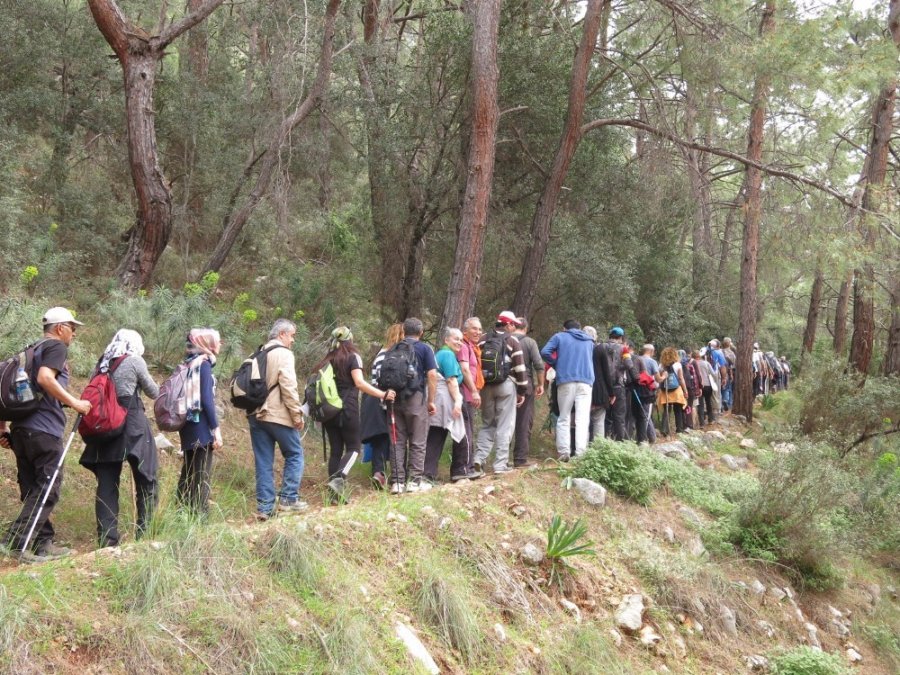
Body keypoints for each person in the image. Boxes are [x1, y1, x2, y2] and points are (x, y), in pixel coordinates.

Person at [1, 307, 92, 563]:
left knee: (33, 489)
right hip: (44, 430)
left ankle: (44, 543)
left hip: (20, 431)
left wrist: (3, 428)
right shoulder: (55, 347)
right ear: (60, 328)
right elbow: (45, 378)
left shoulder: (27, 352)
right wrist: (75, 402)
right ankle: (16, 543)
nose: (73, 334)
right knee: (48, 488)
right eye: (72, 328)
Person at [80, 329, 160, 546]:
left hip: (105, 426)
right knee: (147, 478)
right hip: (132, 422)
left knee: (106, 483)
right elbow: (153, 392)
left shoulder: (101, 364)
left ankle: (107, 542)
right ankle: (145, 536)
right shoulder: (134, 361)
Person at [314, 326, 395, 503]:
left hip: (329, 411)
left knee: (336, 450)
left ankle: (334, 496)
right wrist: (382, 394)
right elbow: (359, 382)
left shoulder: (327, 359)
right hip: (347, 408)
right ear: (350, 340)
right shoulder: (353, 357)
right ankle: (339, 480)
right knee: (354, 448)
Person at [247, 319, 307, 519]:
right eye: (292, 336)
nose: (293, 340)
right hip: (276, 413)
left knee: (263, 461)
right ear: (282, 334)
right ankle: (289, 499)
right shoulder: (283, 354)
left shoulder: (257, 353)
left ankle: (265, 508)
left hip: (255, 415)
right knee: (295, 454)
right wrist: (297, 415)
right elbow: (288, 386)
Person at [385, 317, 437, 494]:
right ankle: (414, 481)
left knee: (397, 441)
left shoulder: (394, 348)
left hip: (394, 399)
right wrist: (431, 401)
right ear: (421, 333)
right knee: (418, 440)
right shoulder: (424, 349)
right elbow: (431, 375)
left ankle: (397, 482)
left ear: (404, 331)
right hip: (416, 398)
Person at [176, 328, 223, 515]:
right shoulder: (203, 364)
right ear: (207, 343)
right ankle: (200, 516)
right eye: (217, 341)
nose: (220, 344)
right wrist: (216, 429)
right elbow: (207, 400)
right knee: (202, 472)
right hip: (200, 425)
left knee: (189, 471)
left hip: (187, 424)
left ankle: (180, 511)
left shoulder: (189, 363)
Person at [474, 312, 527, 474]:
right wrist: (522, 390)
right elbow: (520, 368)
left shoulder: (483, 339)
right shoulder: (512, 341)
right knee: (505, 425)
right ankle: (500, 465)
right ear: (509, 325)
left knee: (487, 423)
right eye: (513, 325)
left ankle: (478, 459)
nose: (514, 328)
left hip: (485, 386)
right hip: (506, 385)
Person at [541, 319, 594, 461]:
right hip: (585, 381)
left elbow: (545, 352)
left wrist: (557, 363)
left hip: (566, 380)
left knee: (564, 417)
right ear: (580, 329)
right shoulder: (589, 341)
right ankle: (581, 454)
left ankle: (564, 453)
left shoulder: (559, 336)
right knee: (582, 419)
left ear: (564, 328)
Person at [361, 323, 403, 489]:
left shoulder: (381, 354)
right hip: (386, 398)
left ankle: (379, 472)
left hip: (372, 397)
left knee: (380, 437)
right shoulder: (396, 355)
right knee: (392, 436)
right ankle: (396, 473)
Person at [423, 328, 466, 482]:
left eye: (461, 340)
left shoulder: (441, 354)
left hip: (437, 398)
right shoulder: (447, 354)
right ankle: (428, 475)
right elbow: (451, 380)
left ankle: (427, 474)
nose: (459, 342)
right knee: (439, 434)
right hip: (444, 399)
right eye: (456, 339)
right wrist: (458, 402)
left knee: (436, 435)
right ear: (446, 340)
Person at [453, 317, 484, 480]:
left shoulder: (473, 347)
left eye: (479, 329)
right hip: (464, 395)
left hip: (468, 396)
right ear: (465, 331)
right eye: (474, 329)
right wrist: (474, 391)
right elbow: (465, 369)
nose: (478, 332)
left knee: (468, 430)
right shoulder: (464, 347)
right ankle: (462, 470)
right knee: (465, 432)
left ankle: (467, 467)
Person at [512, 317, 545, 468]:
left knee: (503, 422)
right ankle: (520, 459)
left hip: (504, 385)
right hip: (525, 386)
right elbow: (539, 365)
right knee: (524, 422)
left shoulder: (505, 339)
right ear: (526, 327)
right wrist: (541, 384)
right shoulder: (529, 342)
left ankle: (499, 459)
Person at [604, 327, 638, 441]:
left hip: (603, 386)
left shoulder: (601, 347)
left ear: (610, 336)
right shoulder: (623, 349)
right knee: (619, 416)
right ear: (621, 337)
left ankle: (605, 440)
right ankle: (619, 442)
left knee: (605, 415)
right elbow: (629, 365)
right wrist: (619, 368)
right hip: (618, 386)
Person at [656, 346, 688, 435]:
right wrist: (685, 391)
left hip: (665, 390)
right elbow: (681, 379)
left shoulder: (660, 365)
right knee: (678, 410)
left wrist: (658, 390)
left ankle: (664, 430)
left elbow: (659, 379)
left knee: (666, 411)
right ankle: (679, 429)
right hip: (676, 390)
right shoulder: (678, 365)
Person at [691, 349, 716, 427]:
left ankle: (701, 423)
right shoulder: (706, 363)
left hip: (698, 386)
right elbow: (713, 373)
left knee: (700, 404)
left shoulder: (691, 364)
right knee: (708, 402)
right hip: (708, 385)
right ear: (700, 355)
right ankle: (711, 419)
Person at [721, 337, 736, 411]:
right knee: (728, 388)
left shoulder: (720, 351)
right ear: (729, 343)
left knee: (721, 388)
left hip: (719, 372)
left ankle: (721, 405)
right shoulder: (731, 353)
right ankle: (726, 401)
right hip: (728, 372)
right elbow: (733, 364)